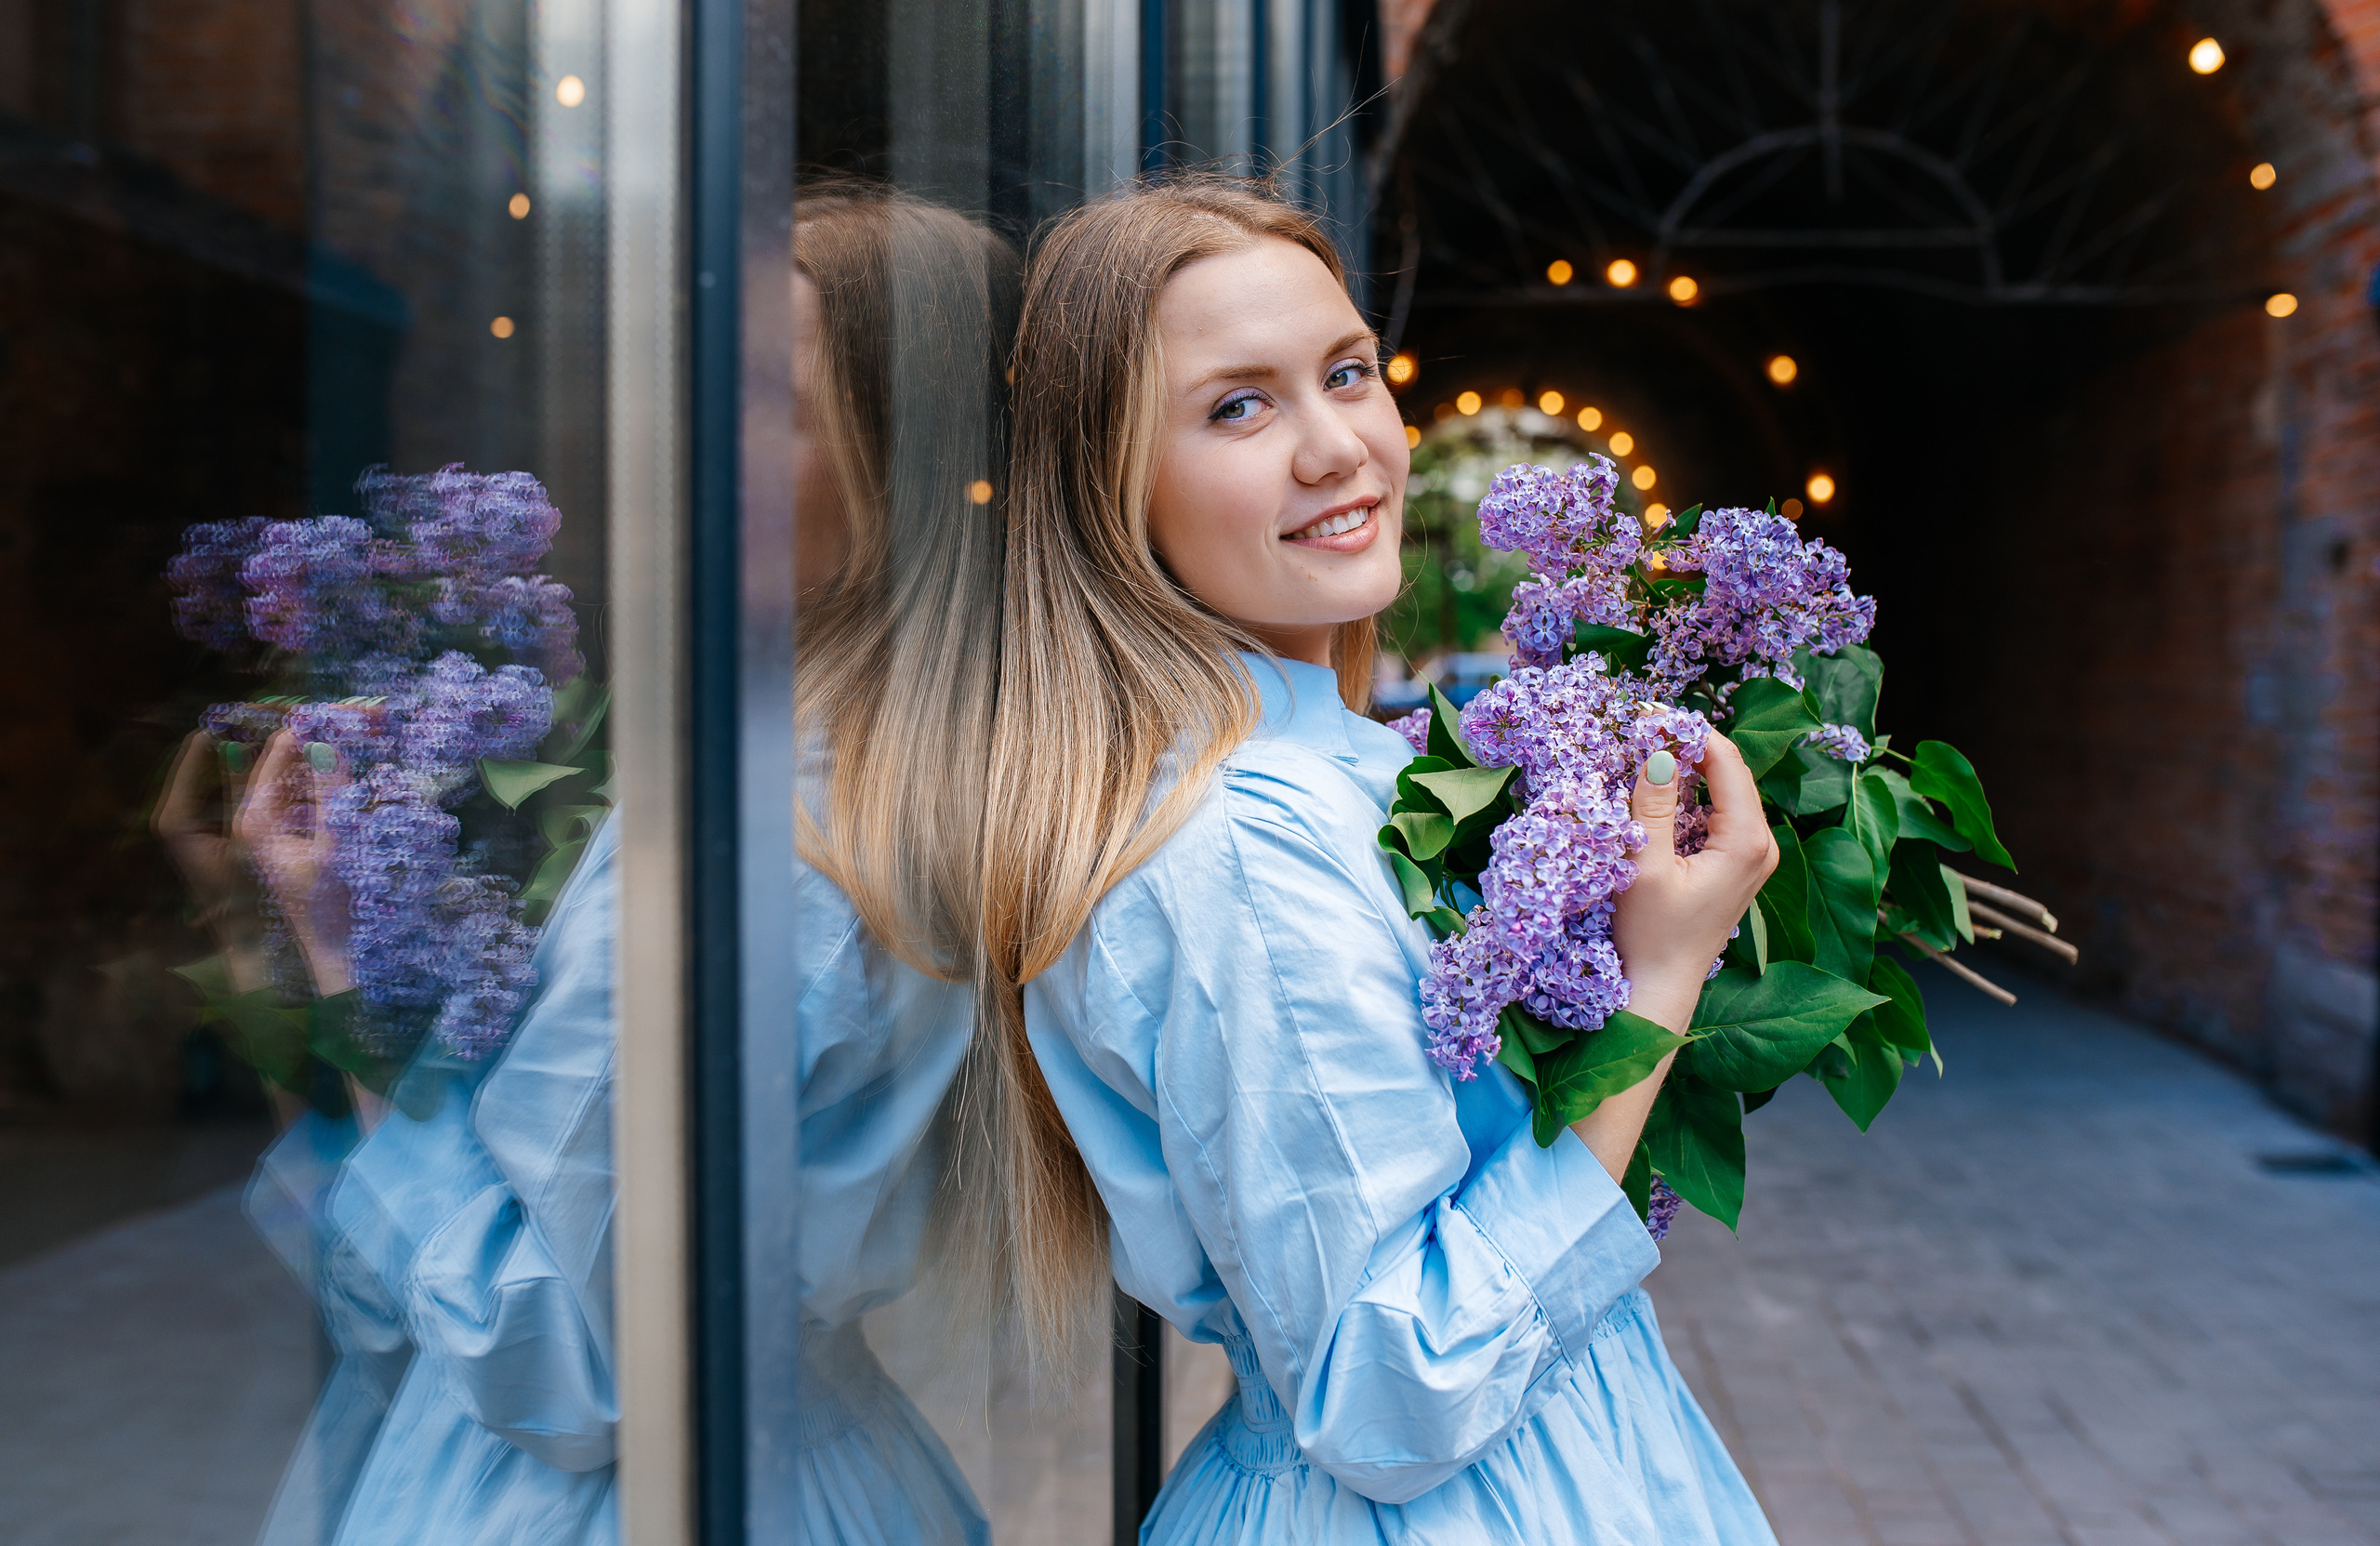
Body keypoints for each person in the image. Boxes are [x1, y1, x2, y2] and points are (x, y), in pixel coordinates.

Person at [980, 174, 1783, 1541]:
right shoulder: (1234, 847)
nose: (1338, 448)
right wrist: (1660, 986)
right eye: (1239, 406)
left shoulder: (1345, 766)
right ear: (1109, 486)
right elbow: (1391, 1389)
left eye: (1347, 373)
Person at [226, 178, 1013, 1544]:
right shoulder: (891, 784)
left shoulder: (764, 861)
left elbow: (565, 1366)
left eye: (772, 399)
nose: (699, 430)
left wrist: (346, 958)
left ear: (907, 481)